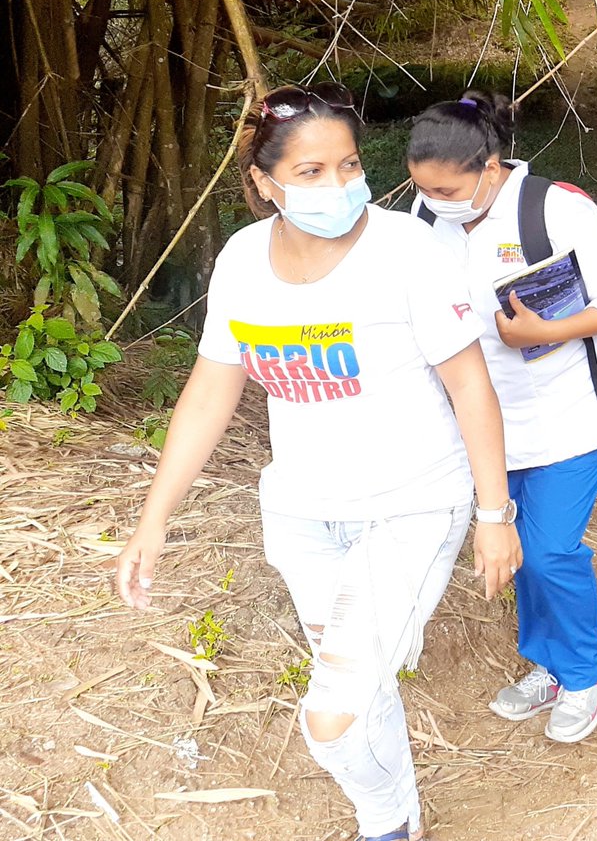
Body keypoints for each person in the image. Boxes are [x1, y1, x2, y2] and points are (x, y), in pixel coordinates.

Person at [114, 82, 521, 841]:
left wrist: (495, 514)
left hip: (410, 506)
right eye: (310, 172)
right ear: (264, 182)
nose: (338, 185)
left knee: (331, 717)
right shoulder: (243, 259)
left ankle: (384, 821)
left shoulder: (409, 250)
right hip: (301, 515)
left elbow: (471, 386)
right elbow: (209, 392)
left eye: (349, 165)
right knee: (361, 686)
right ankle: (399, 822)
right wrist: (153, 520)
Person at [406, 91, 597, 744]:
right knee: (514, 548)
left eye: (445, 188)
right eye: (422, 188)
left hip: (573, 416)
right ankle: (550, 661)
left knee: (548, 550)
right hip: (489, 424)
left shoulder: (553, 209)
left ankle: (588, 669)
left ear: (489, 167)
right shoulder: (427, 217)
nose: (433, 200)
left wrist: (547, 330)